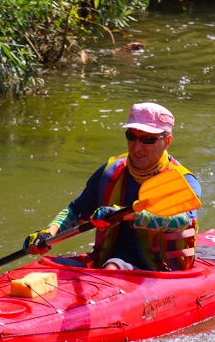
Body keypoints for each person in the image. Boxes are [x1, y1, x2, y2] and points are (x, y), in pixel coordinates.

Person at [22, 102, 201, 271]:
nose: (137, 148)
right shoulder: (110, 171)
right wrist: (48, 233)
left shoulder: (183, 181)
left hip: (157, 269)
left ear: (167, 141)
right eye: (131, 137)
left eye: (147, 140)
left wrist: (126, 215)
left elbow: (181, 221)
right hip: (104, 261)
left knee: (113, 266)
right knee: (47, 267)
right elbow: (76, 210)